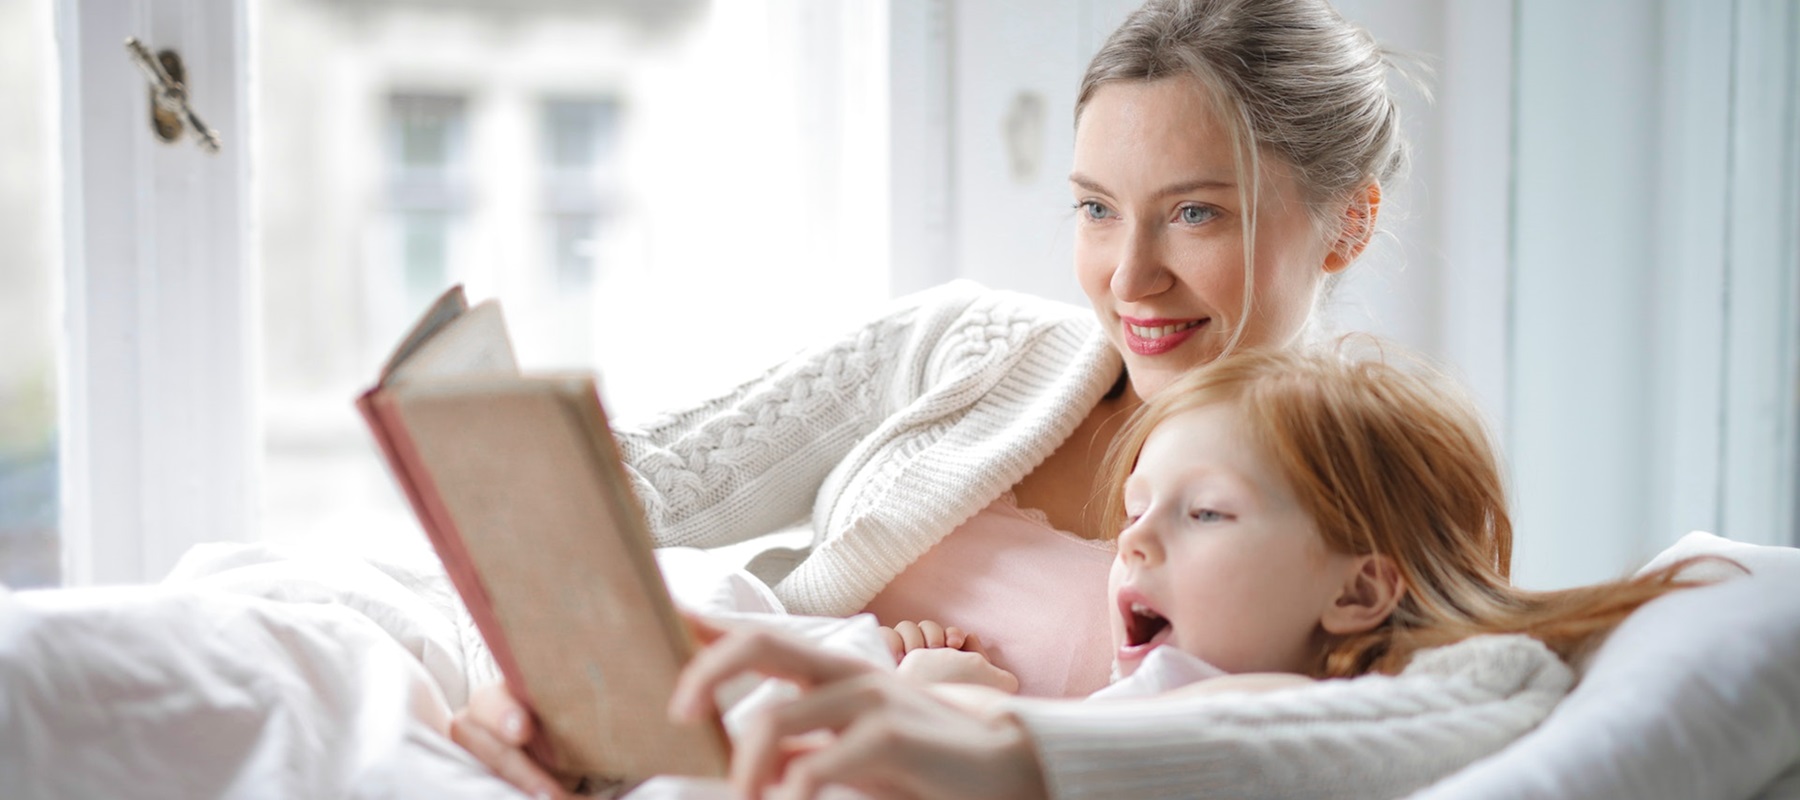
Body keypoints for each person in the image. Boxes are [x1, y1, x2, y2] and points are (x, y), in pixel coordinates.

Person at [454, 0, 1409, 793]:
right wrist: (539, 682)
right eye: (1096, 210)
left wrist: (986, 722)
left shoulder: (1358, 514)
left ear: (1348, 223)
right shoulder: (966, 346)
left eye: (1195, 213)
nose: (1128, 278)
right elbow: (616, 496)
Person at [668, 345, 1715, 799]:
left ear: (1358, 588)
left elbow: (1506, 683)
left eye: (1203, 511)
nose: (1135, 540)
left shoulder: (1271, 702)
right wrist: (944, 686)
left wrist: (980, 727)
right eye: (1135, 509)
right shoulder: (1147, 689)